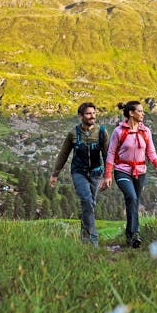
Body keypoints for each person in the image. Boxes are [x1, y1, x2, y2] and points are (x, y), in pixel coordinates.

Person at [100, 100, 157, 248]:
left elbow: (151, 151)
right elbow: (111, 153)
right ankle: (135, 234)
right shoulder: (119, 132)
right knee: (132, 197)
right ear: (131, 113)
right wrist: (108, 175)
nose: (143, 114)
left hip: (140, 172)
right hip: (122, 170)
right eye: (140, 111)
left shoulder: (146, 131)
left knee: (133, 202)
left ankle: (129, 237)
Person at [51, 102, 109, 247]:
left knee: (89, 204)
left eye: (94, 113)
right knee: (87, 200)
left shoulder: (101, 132)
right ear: (81, 116)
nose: (92, 116)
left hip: (96, 173)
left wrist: (108, 175)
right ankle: (93, 240)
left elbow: (108, 155)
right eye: (89, 114)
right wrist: (55, 174)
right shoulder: (73, 133)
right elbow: (63, 154)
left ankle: (84, 238)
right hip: (79, 172)